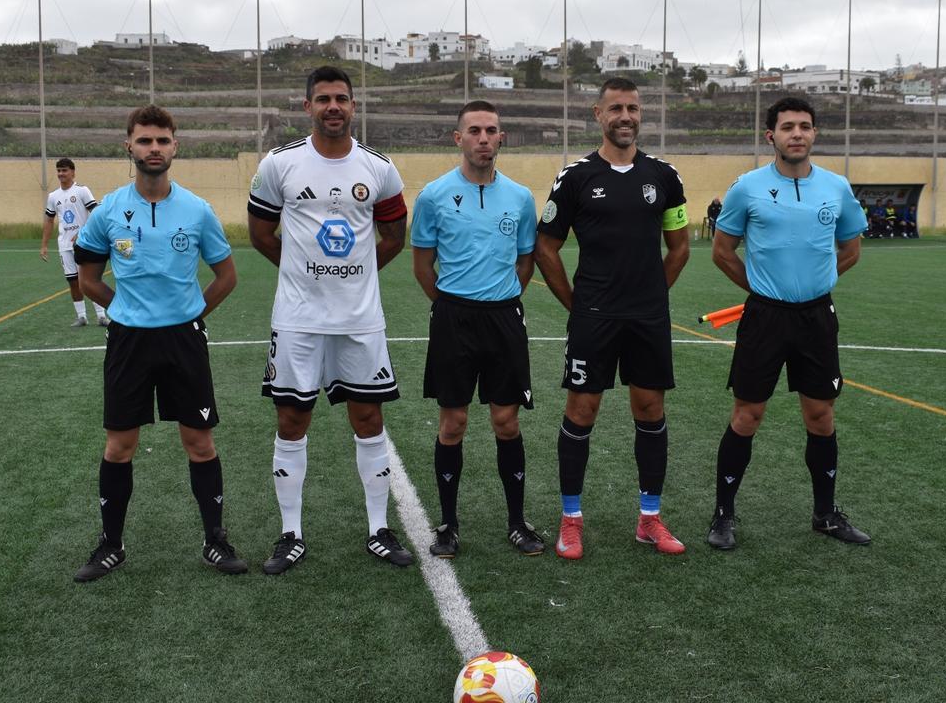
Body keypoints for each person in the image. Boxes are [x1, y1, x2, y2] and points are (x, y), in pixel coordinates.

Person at [248, 66, 412, 573]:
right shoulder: (279, 164)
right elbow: (260, 233)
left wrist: (354, 275)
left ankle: (378, 529)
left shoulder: (378, 168)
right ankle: (290, 533)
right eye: (323, 99)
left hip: (360, 321)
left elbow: (393, 238)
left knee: (368, 419)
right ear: (307, 107)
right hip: (297, 320)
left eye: (341, 98)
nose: (333, 107)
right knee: (292, 419)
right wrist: (302, 274)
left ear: (354, 106)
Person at [71, 105, 244, 582]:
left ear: (175, 146)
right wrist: (125, 309)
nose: (154, 149)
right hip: (128, 342)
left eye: (162, 141)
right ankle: (111, 544)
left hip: (183, 342)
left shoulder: (196, 209)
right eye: (144, 141)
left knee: (200, 442)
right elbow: (87, 277)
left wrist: (189, 314)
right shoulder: (108, 210)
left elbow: (226, 275)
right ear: (128, 145)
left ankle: (215, 540)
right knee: (119, 446)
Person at [535, 77, 691, 560]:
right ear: (597, 115)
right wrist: (578, 305)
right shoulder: (576, 176)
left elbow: (679, 247)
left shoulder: (665, 176)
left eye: (633, 108)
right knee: (582, 412)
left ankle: (649, 519)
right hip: (595, 318)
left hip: (647, 318)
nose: (626, 116)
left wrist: (649, 295)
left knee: (650, 411)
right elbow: (546, 247)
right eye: (616, 108)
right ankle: (570, 521)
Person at [707, 96, 870, 550]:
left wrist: (816, 284)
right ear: (770, 137)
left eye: (804, 126)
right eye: (787, 127)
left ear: (815, 134)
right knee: (747, 415)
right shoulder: (747, 188)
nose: (796, 134)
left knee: (820, 416)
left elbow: (852, 249)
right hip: (764, 317)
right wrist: (760, 289)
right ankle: (723, 514)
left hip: (817, 317)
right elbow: (723, 251)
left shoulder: (836, 188)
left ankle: (825, 514)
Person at [410, 100, 544, 559]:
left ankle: (516, 522)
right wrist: (453, 306)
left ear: (501, 136)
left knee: (506, 423)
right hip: (453, 319)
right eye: (475, 131)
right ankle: (448, 525)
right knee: (454, 424)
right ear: (459, 138)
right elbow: (423, 265)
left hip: (504, 319)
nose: (484, 138)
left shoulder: (522, 197)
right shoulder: (434, 196)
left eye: (492, 130)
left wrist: (499, 300)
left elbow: (526, 261)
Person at [40, 158, 109, 327]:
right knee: (72, 281)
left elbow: (95, 212)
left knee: (89, 279)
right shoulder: (53, 196)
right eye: (59, 171)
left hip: (84, 243)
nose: (61, 174)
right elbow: (49, 220)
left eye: (64, 170)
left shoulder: (82, 191)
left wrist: (82, 232)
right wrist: (44, 245)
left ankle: (101, 316)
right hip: (64, 245)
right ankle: (81, 316)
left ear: (73, 172)